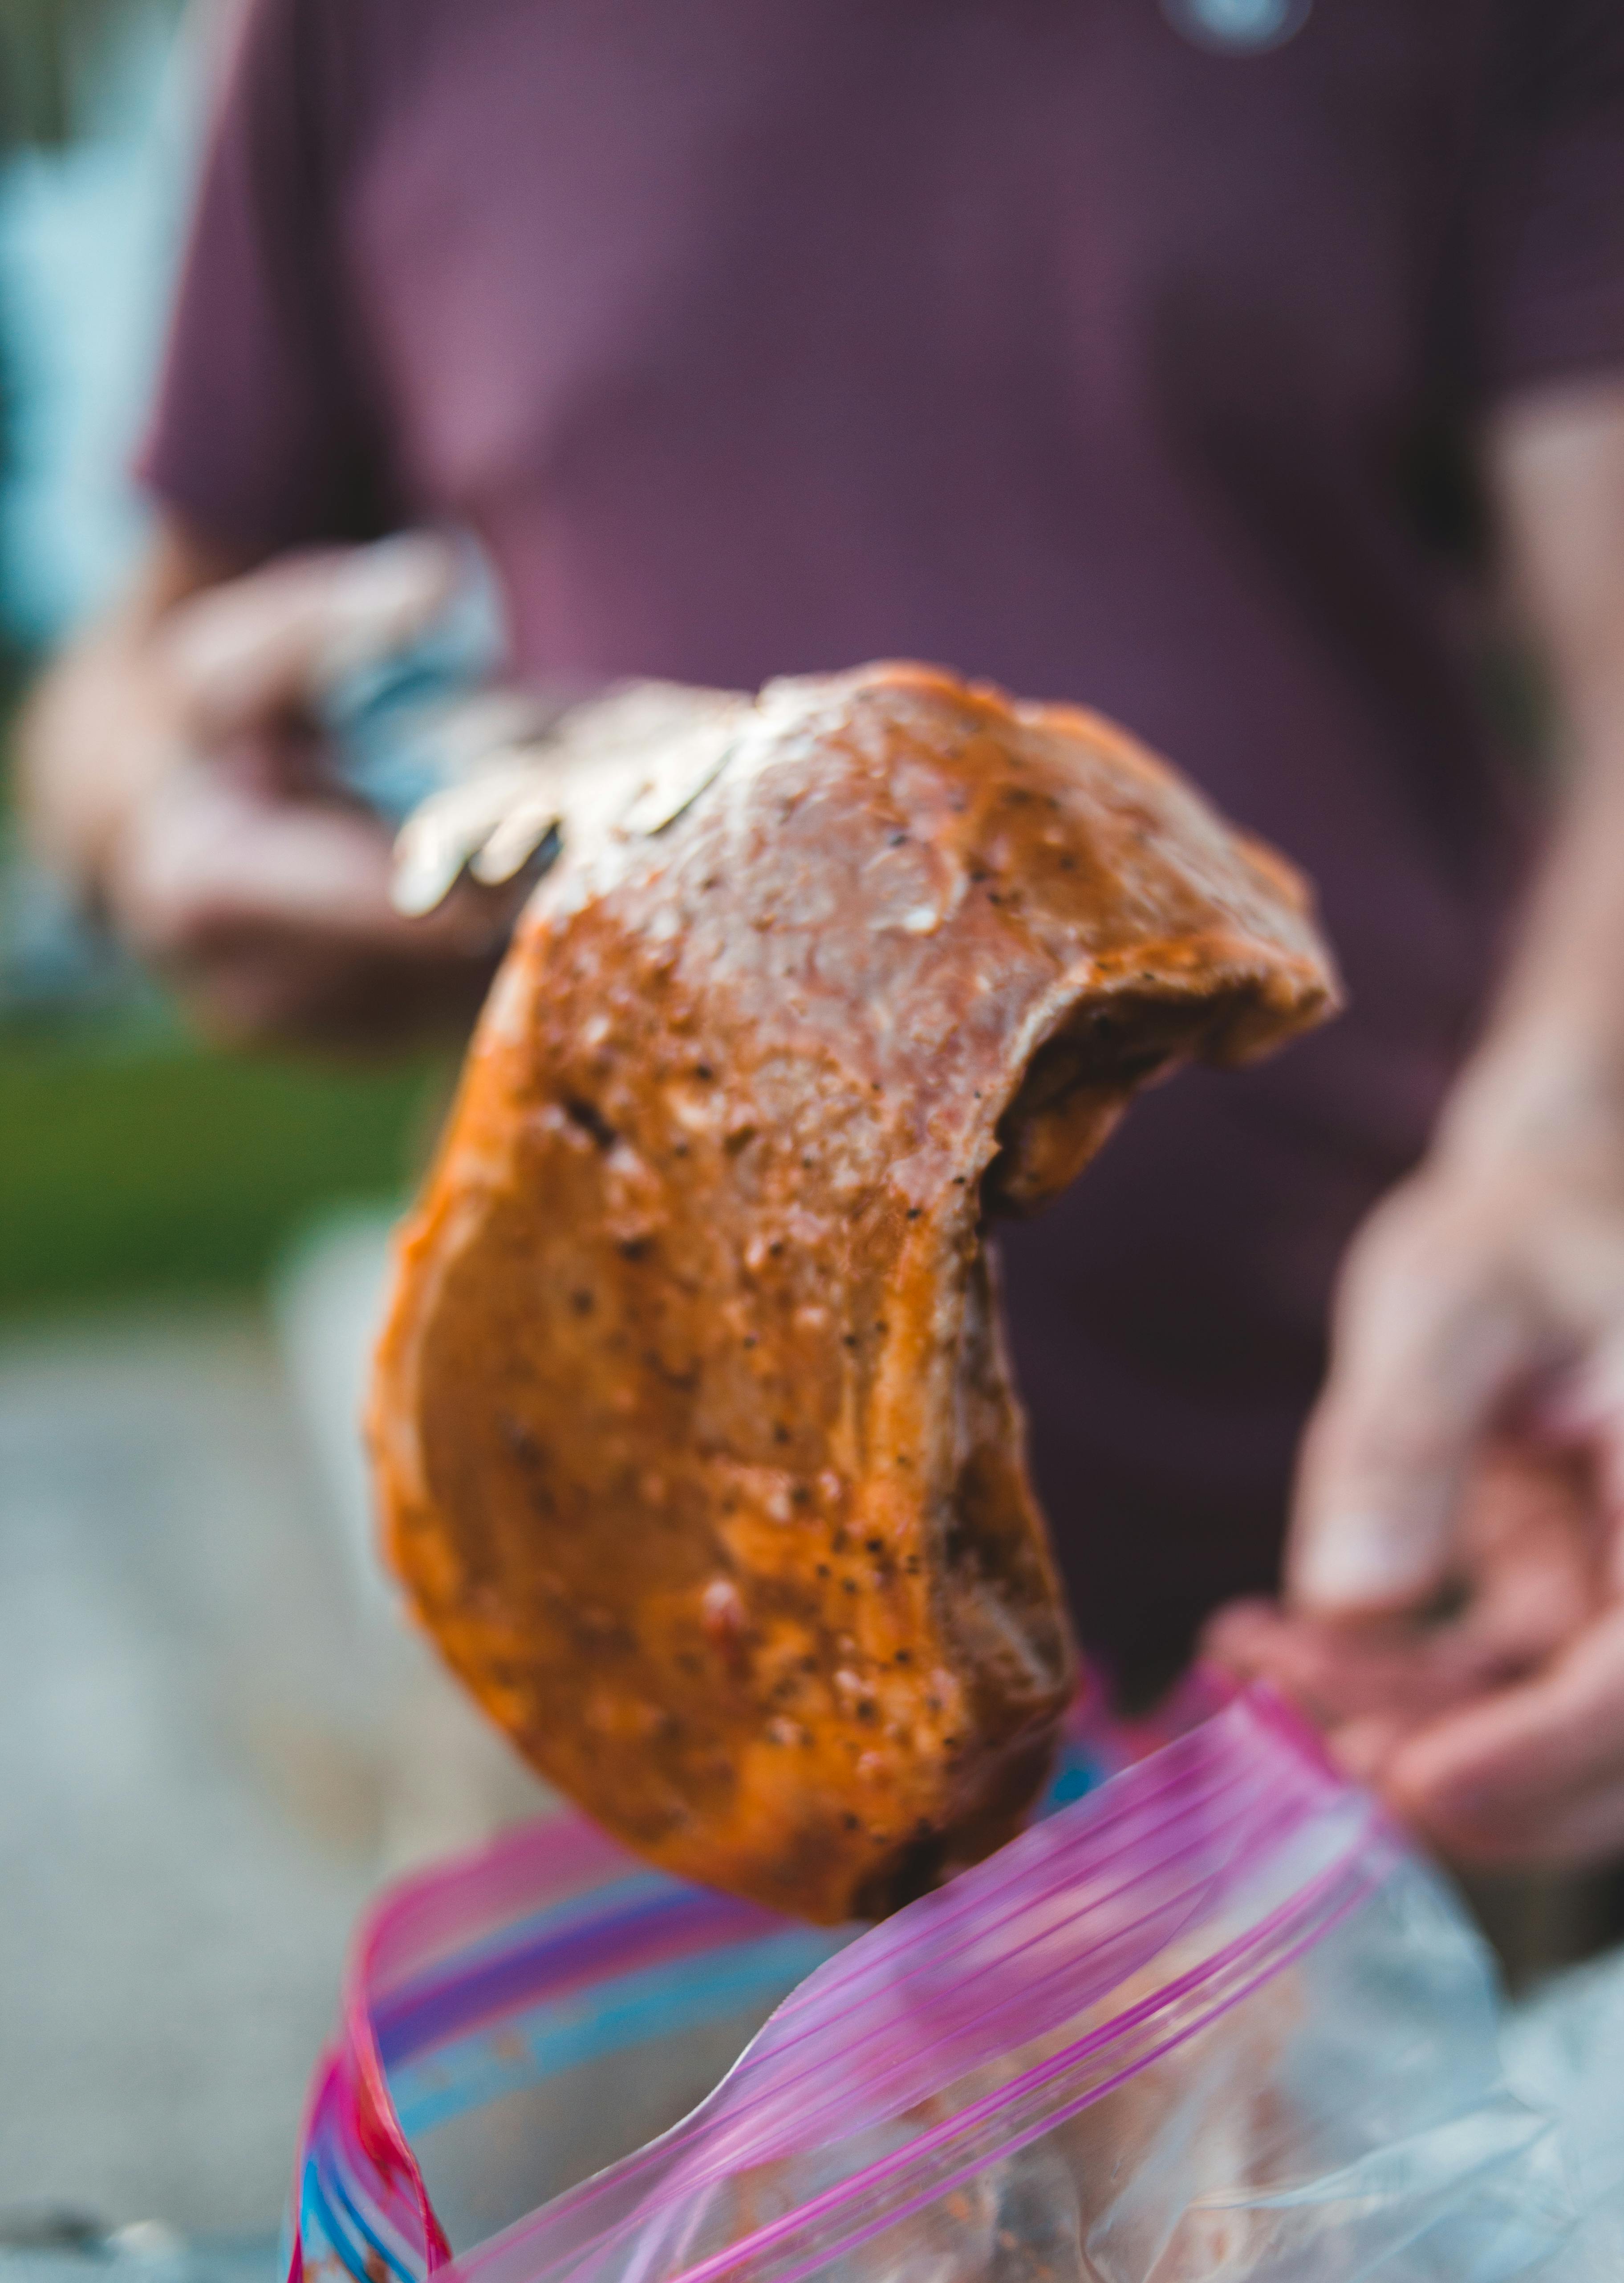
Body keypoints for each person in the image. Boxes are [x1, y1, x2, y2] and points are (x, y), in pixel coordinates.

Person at [20, 0, 1624, 1883]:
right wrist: (148, 810)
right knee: (629, 2173)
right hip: (651, 1619)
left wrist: (1567, 1148)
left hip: (1407, 1558)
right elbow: (136, 665)